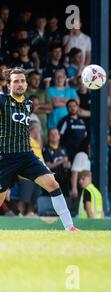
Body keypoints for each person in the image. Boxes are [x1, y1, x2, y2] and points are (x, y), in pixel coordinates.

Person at [0, 68, 77, 231]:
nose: (20, 84)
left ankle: (70, 227)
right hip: (5, 157)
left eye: (22, 81)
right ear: (8, 85)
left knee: (53, 184)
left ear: (26, 84)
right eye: (15, 81)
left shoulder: (29, 104)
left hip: (27, 156)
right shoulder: (2, 101)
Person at [18, 120, 43, 216]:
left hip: (38, 175)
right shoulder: (25, 139)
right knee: (24, 199)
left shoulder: (36, 142)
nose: (39, 130)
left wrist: (38, 135)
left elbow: (40, 147)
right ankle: (19, 215)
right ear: (32, 128)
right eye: (37, 128)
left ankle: (30, 214)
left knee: (33, 200)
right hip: (27, 175)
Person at [43, 128, 71, 196]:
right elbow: (48, 165)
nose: (54, 136)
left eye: (56, 134)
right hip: (52, 180)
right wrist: (61, 161)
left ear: (59, 136)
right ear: (49, 137)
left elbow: (68, 163)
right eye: (51, 134)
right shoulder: (46, 149)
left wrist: (68, 165)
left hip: (64, 180)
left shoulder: (63, 148)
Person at [25, 71, 52, 140]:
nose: (37, 81)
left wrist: (38, 106)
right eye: (34, 79)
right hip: (30, 127)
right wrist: (45, 111)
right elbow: (26, 110)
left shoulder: (43, 92)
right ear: (28, 79)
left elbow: (50, 107)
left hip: (44, 127)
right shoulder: (24, 93)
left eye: (39, 79)